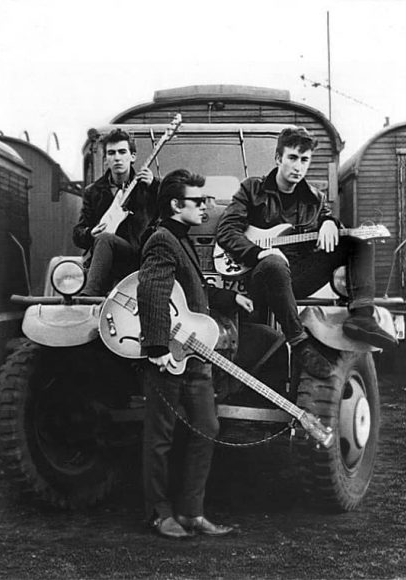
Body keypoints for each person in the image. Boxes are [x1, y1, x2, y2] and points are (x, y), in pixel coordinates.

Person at [216, 126, 397, 378]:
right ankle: (300, 344)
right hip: (258, 279)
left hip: (296, 278)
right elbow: (226, 231)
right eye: (292, 158)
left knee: (356, 242)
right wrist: (259, 253)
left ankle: (362, 318)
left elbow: (328, 220)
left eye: (304, 160)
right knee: (273, 264)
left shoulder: (315, 199)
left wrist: (331, 223)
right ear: (279, 158)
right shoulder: (252, 190)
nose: (298, 167)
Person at [137, 169, 254, 539]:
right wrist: (156, 349)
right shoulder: (161, 239)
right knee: (161, 436)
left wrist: (229, 297)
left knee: (207, 427)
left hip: (193, 354)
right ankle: (159, 513)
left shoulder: (181, 239)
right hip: (169, 356)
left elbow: (192, 291)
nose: (207, 207)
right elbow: (152, 290)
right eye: (198, 201)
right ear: (175, 205)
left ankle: (191, 512)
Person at [73, 129, 159, 296]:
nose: (117, 158)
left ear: (132, 157)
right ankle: (89, 298)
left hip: (140, 260)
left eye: (122, 152)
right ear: (105, 160)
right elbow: (78, 234)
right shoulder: (93, 192)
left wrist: (155, 186)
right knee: (105, 238)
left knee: (106, 238)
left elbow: (172, 210)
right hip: (106, 263)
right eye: (111, 153)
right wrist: (90, 233)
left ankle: (88, 295)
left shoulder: (148, 187)